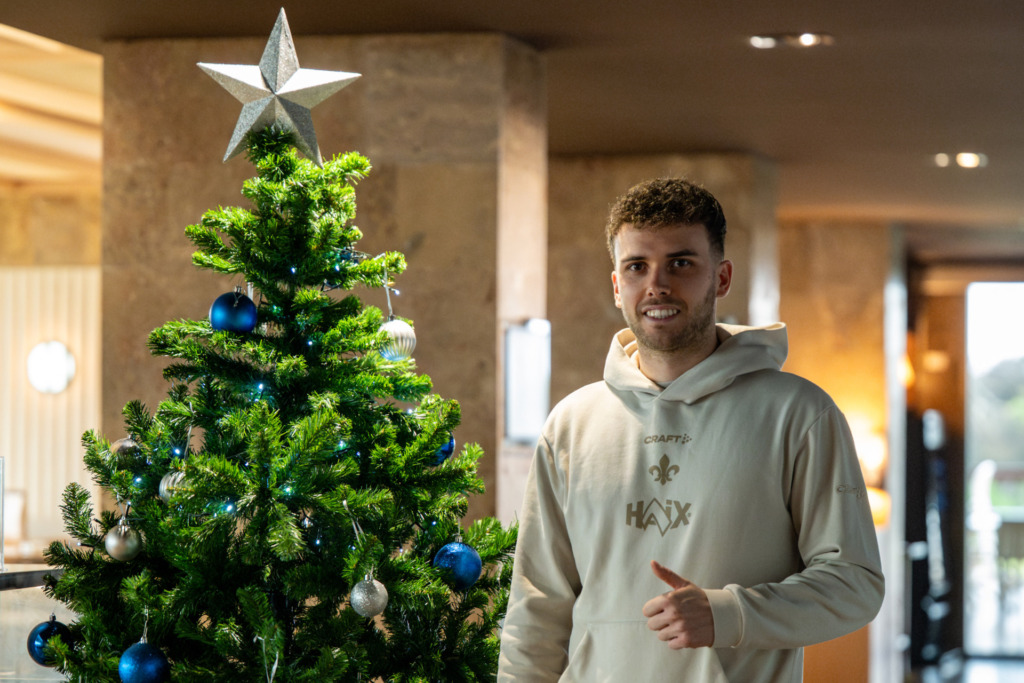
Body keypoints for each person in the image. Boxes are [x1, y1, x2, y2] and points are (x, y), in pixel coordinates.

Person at [497, 177, 884, 682]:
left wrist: (730, 614)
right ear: (617, 286)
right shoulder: (571, 424)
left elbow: (854, 584)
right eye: (637, 266)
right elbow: (537, 607)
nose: (657, 285)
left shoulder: (797, 413)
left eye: (681, 263)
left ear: (721, 279)